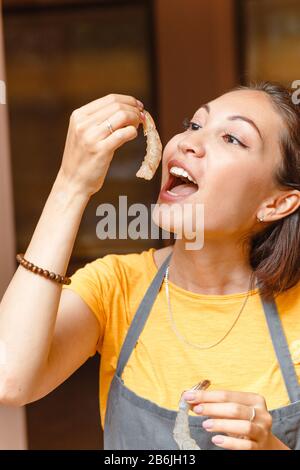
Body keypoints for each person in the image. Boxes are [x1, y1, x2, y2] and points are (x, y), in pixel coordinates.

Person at [0, 82, 299, 450]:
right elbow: (7, 379)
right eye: (193, 125)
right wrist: (72, 184)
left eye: (232, 139)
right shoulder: (116, 285)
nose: (189, 142)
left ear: (276, 204)